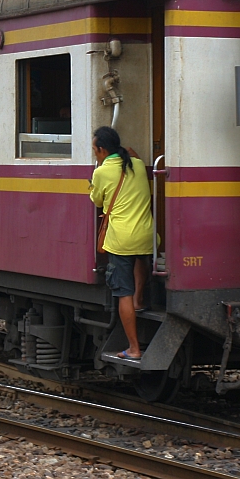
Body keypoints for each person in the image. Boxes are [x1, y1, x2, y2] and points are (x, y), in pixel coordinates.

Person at [90, 126, 154, 360]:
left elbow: (96, 199)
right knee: (141, 259)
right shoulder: (136, 163)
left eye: (95, 150)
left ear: (102, 150)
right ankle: (140, 300)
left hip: (121, 239)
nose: (95, 154)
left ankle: (134, 348)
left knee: (121, 293)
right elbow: (132, 154)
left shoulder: (101, 172)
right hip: (146, 235)